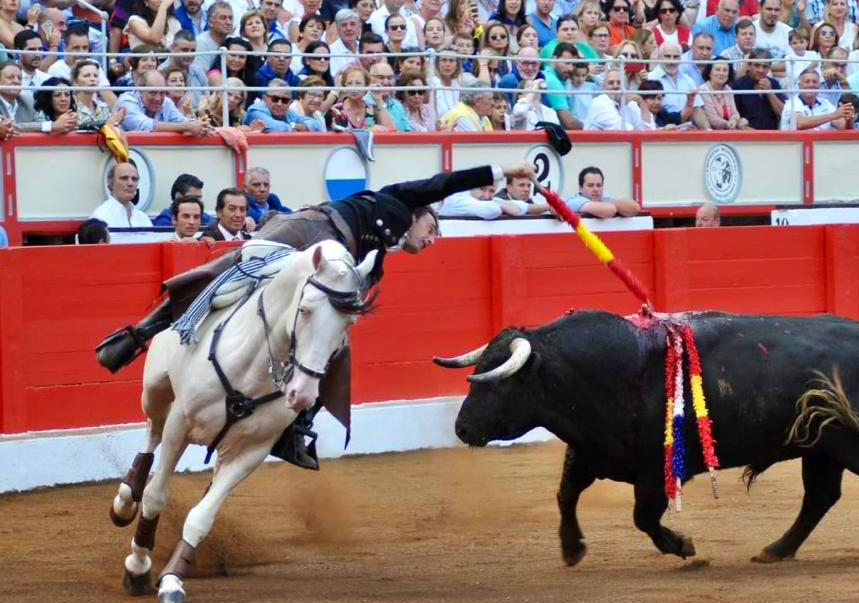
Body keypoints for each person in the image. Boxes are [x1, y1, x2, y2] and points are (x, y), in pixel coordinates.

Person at [95, 160, 539, 467]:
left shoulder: (374, 263)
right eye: (433, 230)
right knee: (234, 265)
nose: (432, 240)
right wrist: (505, 172)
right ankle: (141, 333)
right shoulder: (400, 201)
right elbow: (447, 181)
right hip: (313, 228)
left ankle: (294, 426)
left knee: (329, 346)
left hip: (326, 261)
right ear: (424, 216)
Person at [116, 71, 213, 134]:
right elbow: (146, 126)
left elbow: (182, 121)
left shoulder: (166, 102)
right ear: (140, 91)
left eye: (162, 93)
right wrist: (189, 126)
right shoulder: (127, 101)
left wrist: (202, 126)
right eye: (153, 93)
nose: (158, 98)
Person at [88, 162, 153, 240]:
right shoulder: (100, 217)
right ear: (111, 183)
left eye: (134, 179)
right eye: (124, 178)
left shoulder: (143, 218)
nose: (130, 183)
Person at [245, 79, 324, 132]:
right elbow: (276, 128)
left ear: (290, 102)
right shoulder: (255, 110)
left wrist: (293, 126)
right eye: (275, 99)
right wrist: (295, 127)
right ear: (264, 99)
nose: (279, 104)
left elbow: (317, 125)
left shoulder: (289, 112)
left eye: (285, 100)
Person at [565, 166, 641, 219]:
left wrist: (604, 202)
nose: (595, 189)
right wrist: (616, 205)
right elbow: (610, 210)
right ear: (581, 188)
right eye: (590, 185)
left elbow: (635, 208)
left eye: (599, 185)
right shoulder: (574, 201)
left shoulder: (605, 198)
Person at [437, 183, 528, 219]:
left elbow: (522, 207)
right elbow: (492, 210)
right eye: (482, 189)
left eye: (491, 191)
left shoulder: (491, 201)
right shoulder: (457, 199)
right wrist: (502, 206)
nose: (487, 195)